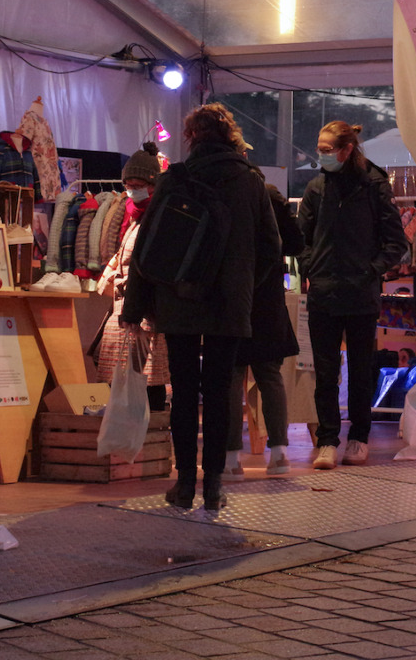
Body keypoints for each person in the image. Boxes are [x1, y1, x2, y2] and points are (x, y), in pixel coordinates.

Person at [124, 105, 279, 512]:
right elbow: (272, 248)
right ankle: (213, 487)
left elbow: (146, 249)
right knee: (220, 392)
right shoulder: (250, 182)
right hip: (229, 304)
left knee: (186, 391)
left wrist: (135, 307)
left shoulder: (176, 178)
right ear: (230, 135)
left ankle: (184, 486)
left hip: (180, 301)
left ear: (192, 137)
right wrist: (243, 282)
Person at [297, 121, 408, 469]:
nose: (322, 155)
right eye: (320, 148)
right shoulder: (316, 188)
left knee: (361, 370)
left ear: (347, 150)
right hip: (324, 292)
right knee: (325, 371)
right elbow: (302, 239)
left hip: (361, 293)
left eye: (328, 149)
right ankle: (327, 440)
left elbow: (397, 242)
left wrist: (370, 270)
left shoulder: (374, 186)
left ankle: (359, 437)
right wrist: (311, 268)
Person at [226, 182, 304, 477]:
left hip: (230, 297)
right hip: (267, 298)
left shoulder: (222, 190)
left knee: (231, 378)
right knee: (270, 377)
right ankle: (279, 455)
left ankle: (231, 458)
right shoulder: (268, 194)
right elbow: (296, 244)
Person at [94, 143, 168, 411]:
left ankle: (147, 439)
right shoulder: (133, 216)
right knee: (121, 381)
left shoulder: (158, 217)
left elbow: (151, 266)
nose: (133, 188)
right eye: (129, 183)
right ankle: (123, 439)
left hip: (144, 316)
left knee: (146, 382)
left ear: (152, 184)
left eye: (139, 183)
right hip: (124, 311)